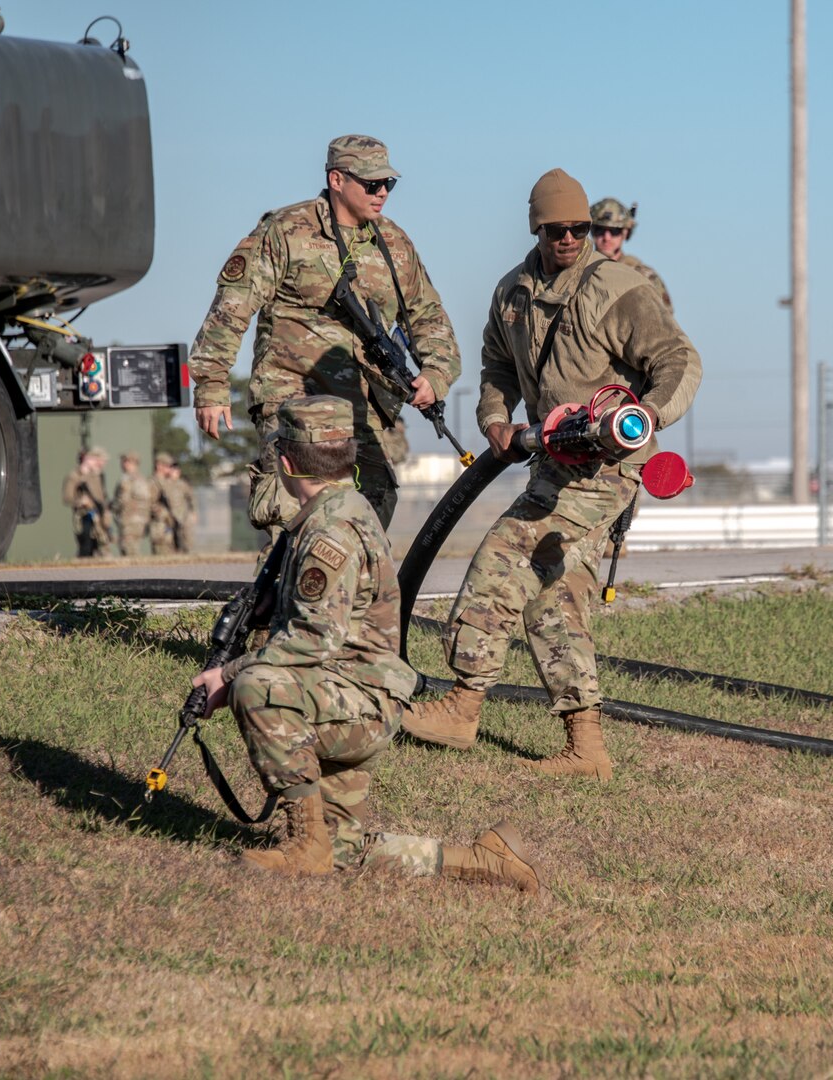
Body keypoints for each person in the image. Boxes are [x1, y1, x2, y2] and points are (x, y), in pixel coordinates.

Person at [402, 169, 702, 779]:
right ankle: (586, 747)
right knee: (553, 595)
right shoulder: (512, 292)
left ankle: (464, 702)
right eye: (556, 229)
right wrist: (494, 421)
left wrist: (646, 415)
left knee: (507, 549)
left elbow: (679, 361)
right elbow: (496, 367)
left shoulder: (618, 287)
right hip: (549, 462)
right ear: (537, 227)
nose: (569, 238)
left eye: (579, 229)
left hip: (610, 470)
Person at [189, 395, 540, 889]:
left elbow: (312, 640)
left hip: (357, 703)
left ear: (285, 462)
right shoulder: (339, 509)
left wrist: (226, 676)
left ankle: (305, 845)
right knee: (344, 852)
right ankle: (484, 860)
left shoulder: (329, 530)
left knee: (256, 686)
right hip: (352, 696)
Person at [188, 134, 460, 535]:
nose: (382, 192)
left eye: (388, 184)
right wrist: (211, 384)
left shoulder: (394, 243)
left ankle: (355, 593)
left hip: (361, 404)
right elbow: (233, 305)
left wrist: (437, 374)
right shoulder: (285, 231)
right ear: (336, 180)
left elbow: (428, 315)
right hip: (292, 392)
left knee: (374, 500)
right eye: (371, 184)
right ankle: (285, 592)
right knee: (293, 507)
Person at [590, 197, 673, 310]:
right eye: (600, 230)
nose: (606, 237)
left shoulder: (643, 276)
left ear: (626, 233)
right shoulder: (579, 273)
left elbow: (664, 320)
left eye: (615, 231)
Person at [60, 446, 110, 558]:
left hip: (98, 517)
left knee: (99, 548)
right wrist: (80, 501)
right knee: (86, 548)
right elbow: (67, 497)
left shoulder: (96, 476)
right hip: (84, 516)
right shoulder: (74, 476)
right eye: (94, 459)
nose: (99, 463)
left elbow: (101, 497)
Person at [110, 452, 156, 557]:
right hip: (141, 520)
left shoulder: (127, 479)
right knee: (134, 549)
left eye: (124, 461)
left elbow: (123, 500)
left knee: (128, 551)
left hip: (129, 519)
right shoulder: (142, 479)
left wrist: (112, 507)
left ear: (130, 463)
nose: (122, 464)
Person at [154, 456, 197, 554]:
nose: (174, 472)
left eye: (176, 470)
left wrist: (193, 512)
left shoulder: (183, 484)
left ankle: (186, 554)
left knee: (185, 537)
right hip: (170, 516)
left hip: (182, 515)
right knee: (171, 540)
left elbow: (191, 498)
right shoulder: (165, 483)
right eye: (172, 470)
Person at [147, 452, 178, 555]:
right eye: (167, 466)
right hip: (159, 525)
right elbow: (150, 503)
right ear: (159, 466)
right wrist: (163, 513)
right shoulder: (153, 482)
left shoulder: (166, 482)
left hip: (167, 524)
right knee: (161, 554)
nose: (170, 469)